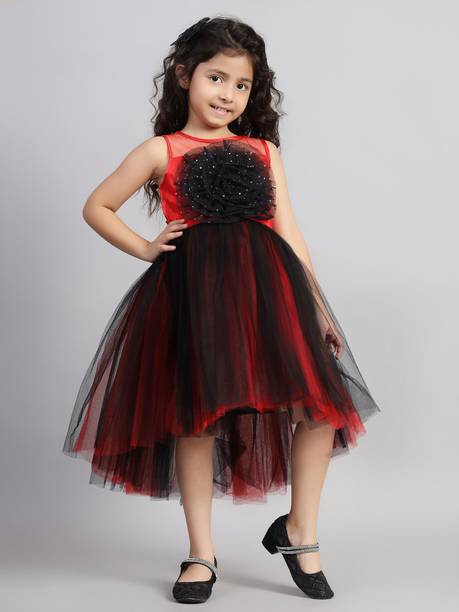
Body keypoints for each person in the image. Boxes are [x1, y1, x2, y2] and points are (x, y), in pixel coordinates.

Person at [62, 15, 381, 604]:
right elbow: (97, 206)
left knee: (320, 409)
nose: (228, 94)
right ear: (184, 75)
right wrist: (146, 247)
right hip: (196, 303)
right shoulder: (161, 150)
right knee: (199, 417)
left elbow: (289, 232)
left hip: (269, 296)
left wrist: (318, 308)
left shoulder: (262, 150)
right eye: (216, 78)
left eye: (241, 85)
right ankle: (201, 553)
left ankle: (300, 533)